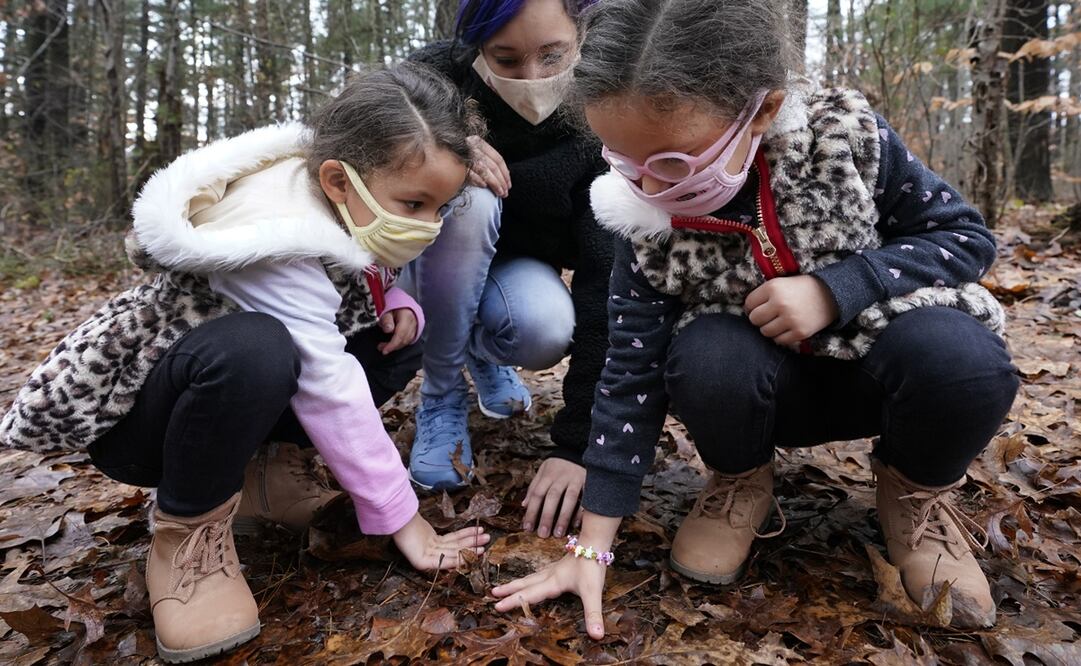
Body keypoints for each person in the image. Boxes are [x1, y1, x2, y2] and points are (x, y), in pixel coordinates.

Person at [492, 0, 1019, 637]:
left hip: (885, 376)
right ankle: (741, 481)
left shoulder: (843, 142)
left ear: (762, 109)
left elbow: (963, 237)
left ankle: (914, 494)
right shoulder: (643, 219)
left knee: (961, 359)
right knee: (707, 354)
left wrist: (839, 288)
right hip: (754, 395)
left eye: (672, 163)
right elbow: (628, 374)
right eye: (624, 162)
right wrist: (592, 546)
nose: (650, 190)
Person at [0, 63, 490, 663]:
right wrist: (402, 518)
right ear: (338, 180)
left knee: (396, 338)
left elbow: (356, 278)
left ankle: (267, 477)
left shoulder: (338, 196)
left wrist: (400, 300)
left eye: (437, 208)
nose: (427, 226)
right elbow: (328, 384)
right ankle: (187, 532)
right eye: (413, 203)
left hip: (227, 396)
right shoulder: (274, 234)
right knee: (259, 348)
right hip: (144, 422)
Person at [403, 0, 613, 542]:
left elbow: (603, 283)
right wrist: (445, 142)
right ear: (476, 48)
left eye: (552, 55)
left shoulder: (602, 109)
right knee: (472, 203)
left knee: (545, 328)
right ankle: (443, 395)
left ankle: (479, 345)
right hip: (422, 262)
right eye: (506, 58)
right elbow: (354, 135)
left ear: (581, 34)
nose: (532, 78)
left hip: (514, 268)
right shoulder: (432, 78)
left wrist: (578, 444)